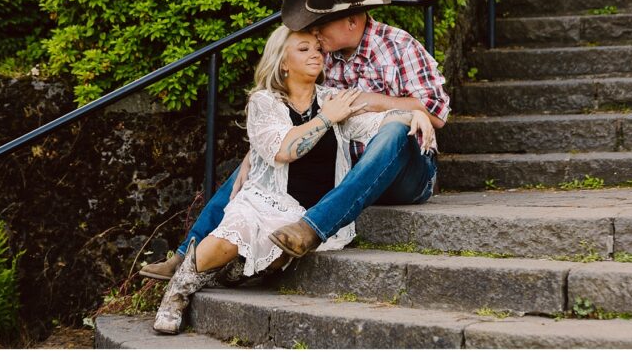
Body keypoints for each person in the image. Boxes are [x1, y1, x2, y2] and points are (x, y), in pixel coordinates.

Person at [140, 0, 449, 279]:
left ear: (352, 21)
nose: (314, 33)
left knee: (394, 129)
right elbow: (301, 112)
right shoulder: (322, 55)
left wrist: (371, 101)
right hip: (344, 171)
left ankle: (312, 228)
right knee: (260, 161)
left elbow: (436, 112)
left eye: (320, 23)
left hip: (404, 173)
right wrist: (259, 151)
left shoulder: (398, 46)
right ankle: (186, 255)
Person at [153, 27, 436, 334]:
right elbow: (284, 150)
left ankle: (230, 271)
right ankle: (177, 293)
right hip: (266, 200)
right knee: (228, 238)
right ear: (283, 62)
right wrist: (326, 119)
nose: (316, 54)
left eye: (318, 49)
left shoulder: (331, 98)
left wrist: (412, 115)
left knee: (269, 259)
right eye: (304, 49)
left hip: (304, 212)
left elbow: (374, 122)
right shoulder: (264, 102)